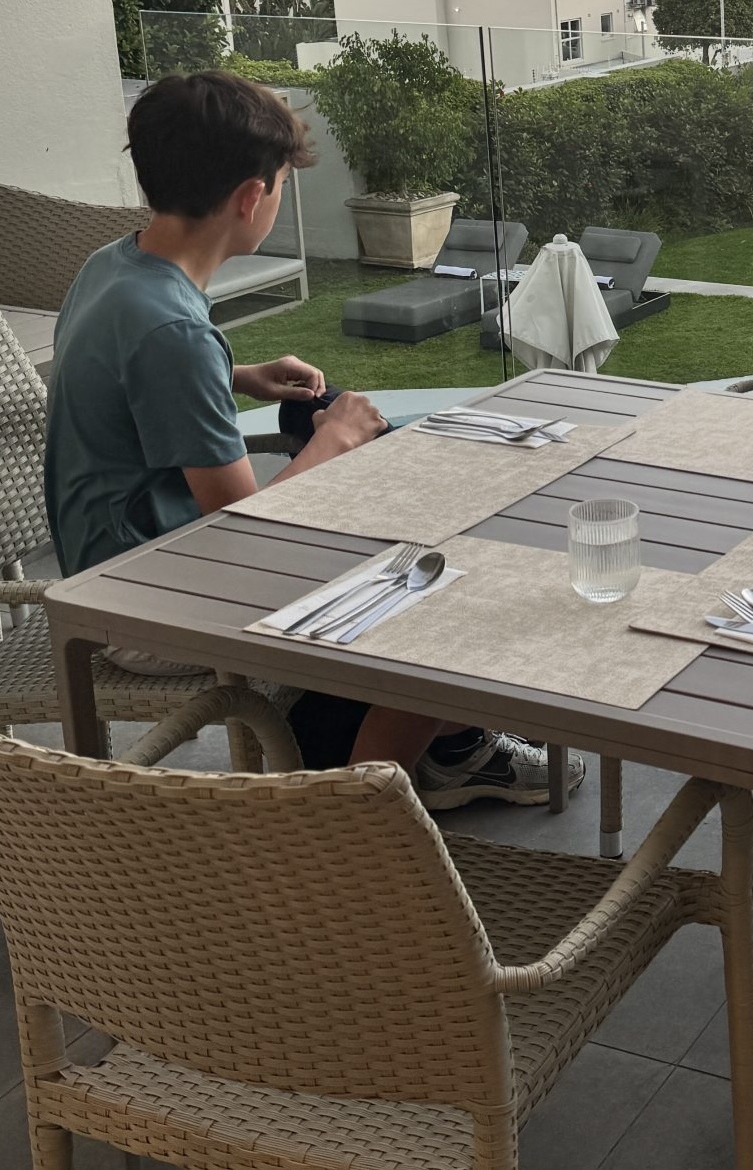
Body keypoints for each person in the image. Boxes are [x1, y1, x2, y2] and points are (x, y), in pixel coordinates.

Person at [46, 70, 576, 808]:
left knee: (405, 534)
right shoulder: (171, 331)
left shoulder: (116, 265)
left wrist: (239, 375)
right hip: (143, 607)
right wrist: (337, 437)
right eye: (283, 187)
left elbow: (126, 374)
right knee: (441, 588)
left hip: (105, 564)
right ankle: (355, 810)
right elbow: (240, 528)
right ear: (250, 198)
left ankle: (440, 739)